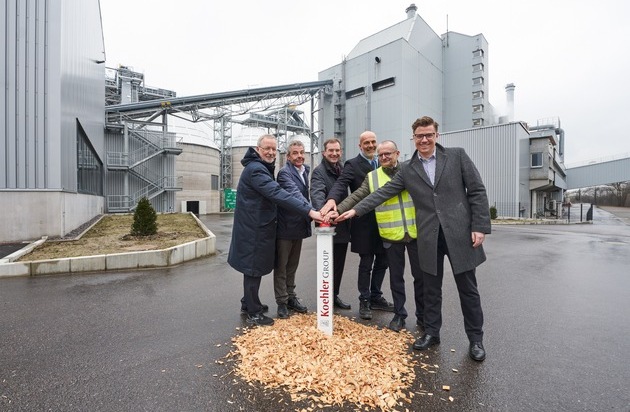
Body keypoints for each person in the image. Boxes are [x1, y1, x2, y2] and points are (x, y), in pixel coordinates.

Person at [335, 117, 491, 361]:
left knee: (468, 289)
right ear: (414, 138)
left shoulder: (457, 155)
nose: (424, 139)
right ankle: (432, 332)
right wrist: (353, 211)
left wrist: (479, 226)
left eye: (428, 134)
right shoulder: (408, 168)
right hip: (428, 237)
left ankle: (476, 339)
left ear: (436, 136)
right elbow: (381, 193)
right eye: (419, 136)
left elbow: (477, 190)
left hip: (460, 234)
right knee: (431, 289)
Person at [228, 134, 323, 326]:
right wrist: (309, 211)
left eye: (273, 149)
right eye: (267, 149)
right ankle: (253, 312)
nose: (271, 152)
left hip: (256, 226)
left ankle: (249, 302)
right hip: (253, 229)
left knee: (254, 268)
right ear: (258, 150)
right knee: (253, 269)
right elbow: (277, 193)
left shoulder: (260, 167)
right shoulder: (257, 170)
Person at [334, 140, 423, 332]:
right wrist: (338, 209)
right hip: (391, 234)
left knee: (420, 278)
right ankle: (399, 315)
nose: (384, 157)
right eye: (381, 155)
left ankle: (423, 316)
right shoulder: (372, 177)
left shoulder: (410, 170)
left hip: (415, 232)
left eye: (388, 154)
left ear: (397, 153)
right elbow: (357, 196)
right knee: (396, 278)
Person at [320, 131, 393, 320]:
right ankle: (365, 300)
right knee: (366, 263)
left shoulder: (383, 162)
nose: (370, 145)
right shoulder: (352, 164)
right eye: (366, 142)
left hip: (385, 221)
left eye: (373, 142)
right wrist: (331, 201)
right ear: (360, 146)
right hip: (364, 222)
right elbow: (342, 184)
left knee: (383, 261)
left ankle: (376, 296)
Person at [309, 138, 352, 310]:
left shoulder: (342, 169)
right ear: (324, 153)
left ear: (341, 152)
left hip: (342, 224)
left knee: (339, 265)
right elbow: (317, 194)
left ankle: (334, 296)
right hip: (327, 226)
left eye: (337, 150)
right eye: (331, 151)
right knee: (326, 264)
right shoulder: (319, 172)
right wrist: (324, 214)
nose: (334, 153)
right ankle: (324, 298)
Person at [274, 140, 311, 318]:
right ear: (288, 156)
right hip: (285, 227)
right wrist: (312, 211)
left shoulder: (305, 171)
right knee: (282, 266)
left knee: (292, 266)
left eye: (302, 152)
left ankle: (291, 297)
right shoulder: (284, 173)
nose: (299, 156)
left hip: (298, 226)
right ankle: (282, 302)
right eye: (295, 153)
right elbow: (294, 193)